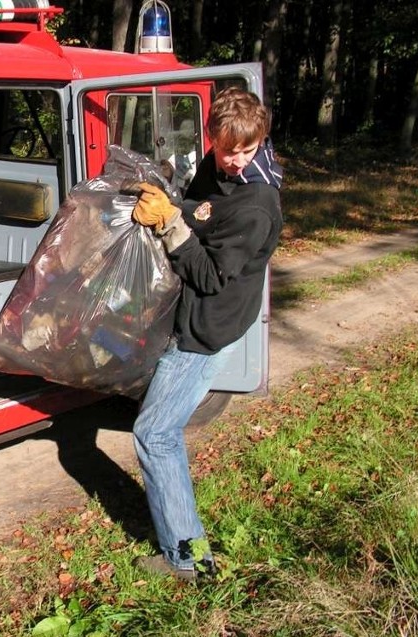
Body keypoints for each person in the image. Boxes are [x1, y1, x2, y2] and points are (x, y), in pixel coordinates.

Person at [129, 87, 284, 581]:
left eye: (248, 150)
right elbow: (199, 206)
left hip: (207, 326)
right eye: (228, 149)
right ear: (211, 139)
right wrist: (172, 198)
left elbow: (213, 275)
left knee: (155, 433)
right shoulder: (215, 167)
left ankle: (188, 560)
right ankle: (187, 552)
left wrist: (173, 224)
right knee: (158, 430)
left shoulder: (257, 203)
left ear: (261, 142)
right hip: (190, 312)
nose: (237, 162)